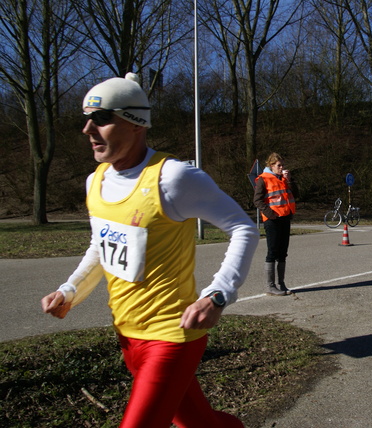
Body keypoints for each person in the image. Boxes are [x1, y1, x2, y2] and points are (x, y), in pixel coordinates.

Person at [40, 73, 259, 428]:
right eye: (86, 120)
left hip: (171, 335)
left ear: (135, 123)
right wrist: (70, 290)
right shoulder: (95, 181)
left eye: (101, 119)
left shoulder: (172, 178)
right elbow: (102, 245)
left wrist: (218, 294)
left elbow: (243, 228)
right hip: (127, 333)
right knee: (200, 423)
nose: (88, 130)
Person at [253, 153, 299, 296]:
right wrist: (270, 214)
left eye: (282, 165)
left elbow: (296, 194)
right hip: (272, 220)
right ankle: (271, 286)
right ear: (271, 166)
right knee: (272, 252)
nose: (282, 168)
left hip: (285, 219)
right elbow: (257, 200)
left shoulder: (284, 179)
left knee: (283, 253)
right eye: (279, 165)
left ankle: (282, 283)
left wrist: (289, 180)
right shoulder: (263, 179)